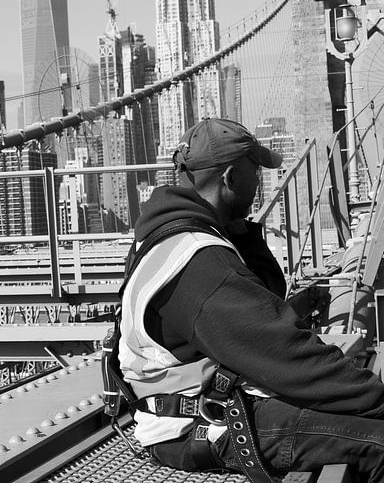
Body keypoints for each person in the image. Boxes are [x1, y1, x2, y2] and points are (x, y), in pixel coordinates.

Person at [117, 118, 384, 482]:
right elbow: (285, 352)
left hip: (215, 402)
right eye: (255, 171)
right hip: (199, 424)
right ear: (229, 179)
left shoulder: (178, 230)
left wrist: (237, 227)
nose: (260, 183)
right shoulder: (201, 263)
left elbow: (269, 302)